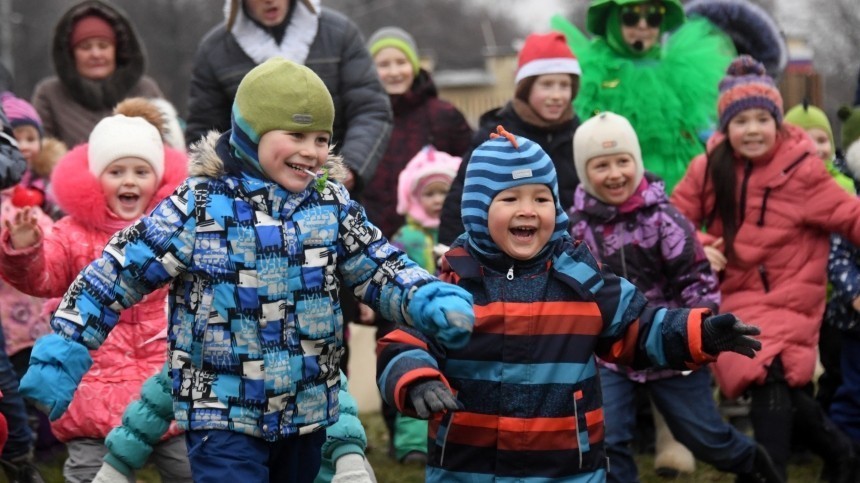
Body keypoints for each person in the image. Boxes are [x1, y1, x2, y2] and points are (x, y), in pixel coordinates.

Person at [18, 58, 474, 482]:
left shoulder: (330, 205)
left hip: (306, 406)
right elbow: (116, 273)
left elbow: (380, 264)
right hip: (220, 408)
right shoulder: (198, 206)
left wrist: (427, 298)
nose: (312, 152)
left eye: (321, 139)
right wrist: (64, 348)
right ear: (250, 132)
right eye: (295, 136)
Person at [377, 126, 763, 482]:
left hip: (566, 468)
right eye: (510, 198)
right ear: (478, 212)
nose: (528, 209)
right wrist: (416, 377)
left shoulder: (581, 278)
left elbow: (639, 327)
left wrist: (700, 333)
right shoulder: (453, 284)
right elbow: (404, 341)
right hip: (468, 467)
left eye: (541, 198)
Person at [671, 55, 860, 482]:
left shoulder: (803, 169)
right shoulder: (709, 166)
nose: (752, 129)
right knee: (775, 382)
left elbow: (850, 215)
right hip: (734, 294)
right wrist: (700, 245)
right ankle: (841, 451)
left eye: (762, 118)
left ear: (777, 121)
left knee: (765, 372)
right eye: (741, 121)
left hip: (791, 294)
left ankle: (763, 475)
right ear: (725, 126)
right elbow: (670, 220)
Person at [568, 111, 781, 483]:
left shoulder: (663, 219)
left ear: (636, 162)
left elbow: (697, 278)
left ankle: (754, 465)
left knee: (702, 436)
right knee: (607, 436)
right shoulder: (577, 228)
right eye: (601, 165)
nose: (615, 173)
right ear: (586, 173)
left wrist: (699, 329)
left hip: (670, 342)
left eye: (623, 161)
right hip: (610, 354)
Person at [0, 105, 189, 482]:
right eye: (116, 172)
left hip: (165, 380)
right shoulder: (72, 232)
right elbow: (44, 278)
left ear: (160, 177)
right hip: (94, 386)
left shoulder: (176, 231)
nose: (129, 182)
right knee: (91, 473)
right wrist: (25, 250)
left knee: (191, 469)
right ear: (94, 180)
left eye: (141, 171)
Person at [185, 0, 391, 194]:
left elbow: (371, 109)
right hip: (242, 196)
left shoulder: (339, 34)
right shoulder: (215, 49)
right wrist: (228, 184)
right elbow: (203, 128)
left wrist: (350, 169)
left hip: (330, 185)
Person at [551, 0, 734, 193]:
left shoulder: (681, 72)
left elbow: (701, 126)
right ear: (612, 21)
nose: (643, 25)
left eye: (654, 17)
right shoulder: (592, 74)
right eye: (631, 16)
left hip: (681, 191)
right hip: (617, 190)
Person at [91, 360, 376, 483]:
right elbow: (157, 400)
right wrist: (118, 464)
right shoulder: (203, 349)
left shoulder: (306, 349)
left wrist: (350, 462)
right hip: (232, 451)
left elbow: (338, 407)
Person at [439, 31, 582, 246]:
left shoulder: (579, 136)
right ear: (525, 89)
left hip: (567, 257)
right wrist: (451, 253)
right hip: (505, 255)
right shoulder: (497, 136)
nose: (557, 95)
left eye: (564, 85)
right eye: (547, 85)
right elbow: (462, 199)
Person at [378, 145, 461, 465]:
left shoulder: (459, 233)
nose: (438, 200)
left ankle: (444, 440)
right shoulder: (406, 236)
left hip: (452, 320)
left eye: (445, 193)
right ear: (415, 197)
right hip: (413, 321)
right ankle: (411, 444)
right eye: (430, 194)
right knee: (414, 377)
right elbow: (387, 271)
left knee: (447, 383)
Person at [362, 26, 472, 239]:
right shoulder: (361, 117)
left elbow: (470, 168)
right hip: (374, 236)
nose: (394, 72)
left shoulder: (443, 114)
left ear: (413, 65)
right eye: (384, 65)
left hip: (436, 237)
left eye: (401, 62)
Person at [31, 0, 163, 148]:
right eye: (85, 47)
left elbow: (167, 147)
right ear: (71, 54)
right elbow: (38, 151)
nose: (95, 54)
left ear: (117, 50)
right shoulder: (50, 95)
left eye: (103, 45)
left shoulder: (145, 89)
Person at [0, 102, 43, 483]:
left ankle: (18, 455)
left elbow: (8, 157)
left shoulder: (21, 204)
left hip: (21, 312)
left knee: (7, 380)